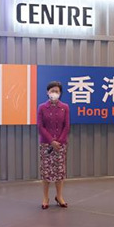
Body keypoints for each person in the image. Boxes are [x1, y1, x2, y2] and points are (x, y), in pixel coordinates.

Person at [37, 81, 71, 209]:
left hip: (61, 145)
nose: (54, 93)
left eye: (57, 91)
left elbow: (66, 126)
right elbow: (40, 126)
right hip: (46, 144)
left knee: (59, 172)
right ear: (47, 92)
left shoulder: (65, 107)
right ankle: (45, 197)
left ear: (60, 93)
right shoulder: (42, 107)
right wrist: (51, 141)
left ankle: (59, 196)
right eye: (52, 91)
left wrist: (59, 142)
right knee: (46, 172)